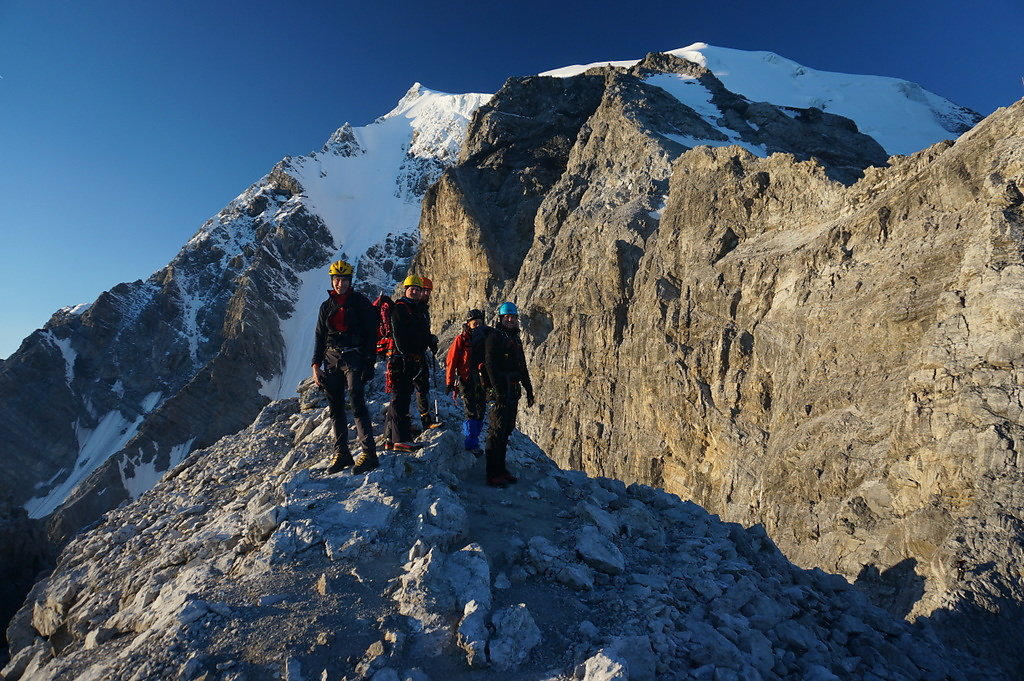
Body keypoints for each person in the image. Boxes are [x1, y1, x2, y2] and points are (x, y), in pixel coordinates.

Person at [311, 260, 379, 474]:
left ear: (351, 281)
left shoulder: (360, 303)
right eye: (337, 279)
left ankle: (369, 453)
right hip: (331, 359)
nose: (340, 283)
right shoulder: (326, 306)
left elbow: (371, 333)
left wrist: (369, 361)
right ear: (332, 281)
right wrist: (315, 365)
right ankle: (342, 453)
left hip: (354, 356)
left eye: (344, 280)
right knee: (335, 406)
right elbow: (320, 336)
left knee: (356, 400)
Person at [483, 302, 535, 487]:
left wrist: (529, 390)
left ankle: (501, 469)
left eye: (513, 317)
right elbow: (490, 365)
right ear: (501, 318)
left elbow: (522, 366)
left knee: (506, 429)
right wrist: (497, 391)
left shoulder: (515, 339)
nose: (511, 320)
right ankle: (492, 473)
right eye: (508, 317)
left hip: (512, 390)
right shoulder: (494, 337)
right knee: (496, 431)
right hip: (500, 391)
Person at [383, 275, 432, 451]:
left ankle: (390, 438)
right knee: (400, 398)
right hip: (400, 359)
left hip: (406, 358)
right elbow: (398, 334)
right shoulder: (401, 308)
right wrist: (406, 355)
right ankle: (400, 439)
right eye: (412, 289)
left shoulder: (414, 309)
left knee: (401, 396)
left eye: (418, 289)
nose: (416, 291)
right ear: (405, 290)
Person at [445, 309, 492, 456]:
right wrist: (450, 382)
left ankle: (474, 438)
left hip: (483, 381)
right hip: (466, 380)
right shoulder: (462, 339)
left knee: (481, 411)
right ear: (468, 324)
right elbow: (452, 361)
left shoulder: (487, 339)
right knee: (471, 411)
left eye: (479, 323)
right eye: (474, 323)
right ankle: (471, 443)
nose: (477, 325)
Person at [415, 276, 441, 430]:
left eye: (428, 291)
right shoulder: (416, 309)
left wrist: (430, 339)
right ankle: (424, 418)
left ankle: (424, 417)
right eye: (423, 290)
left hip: (420, 351)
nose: (426, 294)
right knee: (419, 385)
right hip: (413, 353)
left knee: (422, 385)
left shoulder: (423, 310)